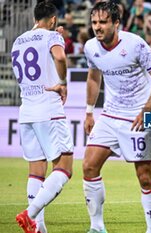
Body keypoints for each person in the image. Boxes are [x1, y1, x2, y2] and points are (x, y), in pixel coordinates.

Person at [82, 2, 151, 233]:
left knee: (145, 176)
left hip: (141, 114)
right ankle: (97, 227)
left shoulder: (135, 44)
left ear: (116, 23)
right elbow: (93, 76)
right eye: (94, 22)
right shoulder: (91, 47)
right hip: (110, 114)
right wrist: (89, 110)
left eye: (103, 22)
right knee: (89, 166)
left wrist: (148, 109)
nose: (97, 27)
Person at [11, 2, 74, 233]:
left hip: (26, 109)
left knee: (36, 171)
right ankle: (30, 214)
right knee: (65, 167)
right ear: (53, 20)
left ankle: (39, 228)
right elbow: (59, 58)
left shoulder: (18, 41)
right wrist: (63, 84)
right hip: (48, 108)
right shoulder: (52, 37)